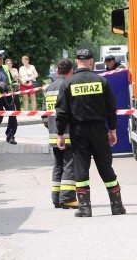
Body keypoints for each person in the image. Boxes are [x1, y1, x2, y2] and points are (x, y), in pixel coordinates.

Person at [55, 48, 126, 217]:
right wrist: (113, 130)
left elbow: (62, 112)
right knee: (105, 166)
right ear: (92, 62)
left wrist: (60, 135)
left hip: (78, 132)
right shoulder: (102, 82)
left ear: (76, 61)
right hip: (99, 130)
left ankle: (85, 208)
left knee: (81, 168)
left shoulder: (68, 83)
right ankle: (117, 206)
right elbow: (111, 109)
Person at [43, 59, 78, 209]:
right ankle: (68, 198)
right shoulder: (68, 86)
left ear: (57, 71)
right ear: (71, 72)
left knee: (58, 166)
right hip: (67, 133)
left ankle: (56, 198)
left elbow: (44, 116)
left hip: (53, 133)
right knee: (70, 165)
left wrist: (52, 128)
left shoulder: (48, 88)